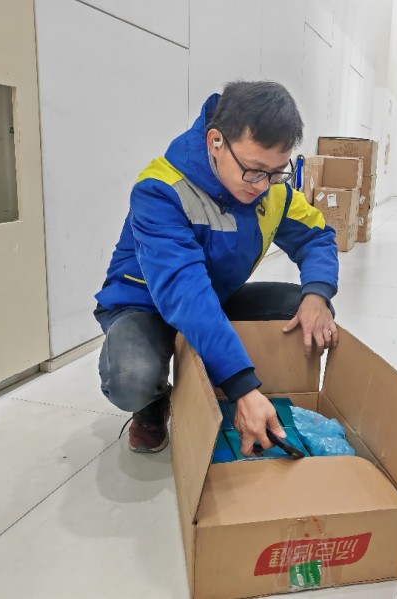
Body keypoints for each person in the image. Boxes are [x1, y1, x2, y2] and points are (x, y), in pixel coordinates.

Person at [93, 81, 339, 457]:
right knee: (131, 378)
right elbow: (184, 292)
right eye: (254, 170)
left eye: (277, 172)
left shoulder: (272, 189)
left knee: (302, 307)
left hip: (214, 296)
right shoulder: (160, 189)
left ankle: (243, 381)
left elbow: (316, 237)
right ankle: (154, 402)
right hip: (146, 304)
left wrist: (318, 294)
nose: (263, 185)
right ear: (216, 142)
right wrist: (242, 386)